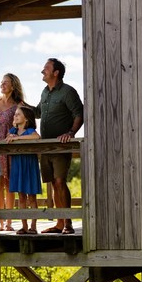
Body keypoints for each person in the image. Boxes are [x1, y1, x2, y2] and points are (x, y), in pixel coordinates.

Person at [33, 58, 84, 235]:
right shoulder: (45, 92)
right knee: (54, 183)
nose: (42, 71)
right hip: (46, 147)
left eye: (46, 68)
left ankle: (68, 222)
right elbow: (37, 112)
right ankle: (59, 223)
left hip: (61, 146)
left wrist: (70, 133)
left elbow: (79, 114)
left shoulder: (68, 92)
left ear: (56, 73)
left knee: (61, 181)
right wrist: (19, 102)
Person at [0, 73, 26, 231]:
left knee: (9, 184)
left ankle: (8, 220)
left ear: (13, 85)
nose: (2, 85)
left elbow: (24, 122)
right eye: (1, 82)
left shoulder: (19, 103)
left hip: (9, 146)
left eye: (6, 83)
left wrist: (15, 135)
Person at [6, 106, 41, 235]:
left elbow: (36, 137)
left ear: (26, 119)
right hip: (17, 165)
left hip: (29, 164)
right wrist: (13, 135)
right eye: (15, 114)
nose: (15, 116)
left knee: (32, 197)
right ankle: (24, 226)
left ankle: (33, 226)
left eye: (18, 114)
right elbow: (7, 138)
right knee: (21, 197)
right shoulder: (13, 131)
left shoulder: (30, 130)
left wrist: (17, 138)